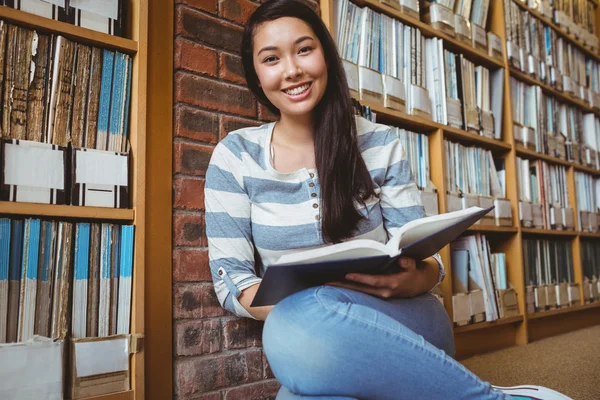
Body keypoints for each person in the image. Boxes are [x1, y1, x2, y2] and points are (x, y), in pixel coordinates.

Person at [204, 0, 572, 398]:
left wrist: (415, 278)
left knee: (291, 339)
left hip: (404, 316)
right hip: (307, 335)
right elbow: (233, 283)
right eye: (272, 58)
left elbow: (426, 260)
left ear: (326, 54)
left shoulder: (379, 142)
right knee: (298, 370)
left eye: (304, 49)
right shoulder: (236, 155)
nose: (292, 69)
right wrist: (309, 311)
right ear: (256, 75)